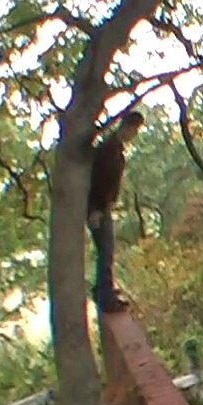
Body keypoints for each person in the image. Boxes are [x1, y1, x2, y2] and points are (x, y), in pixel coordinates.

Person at [87, 111, 145, 313]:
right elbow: (98, 181)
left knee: (106, 250)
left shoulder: (115, 149)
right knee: (106, 250)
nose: (134, 134)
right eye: (135, 130)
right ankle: (106, 298)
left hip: (104, 206)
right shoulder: (107, 150)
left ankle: (103, 289)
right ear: (127, 127)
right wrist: (95, 209)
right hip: (98, 207)